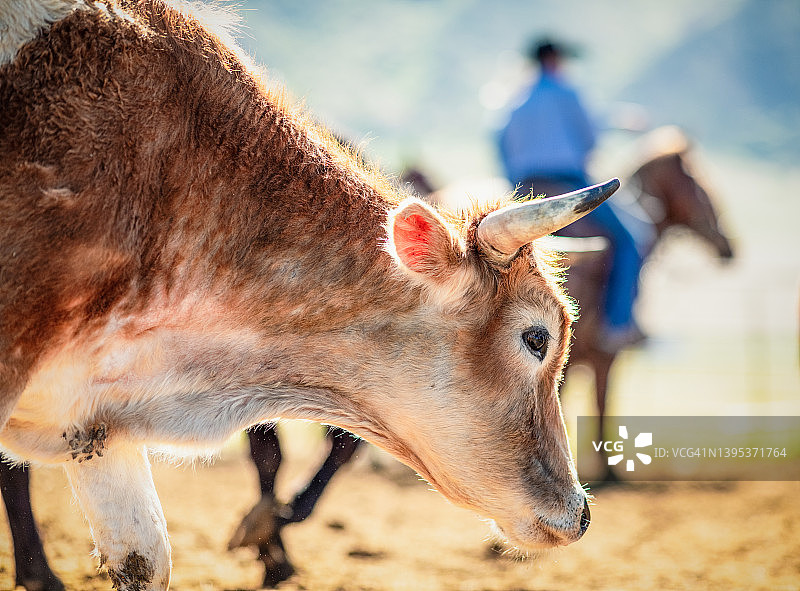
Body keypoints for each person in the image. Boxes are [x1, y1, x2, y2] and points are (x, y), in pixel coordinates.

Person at [498, 38, 645, 351]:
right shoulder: (567, 93)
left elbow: (500, 142)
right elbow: (589, 138)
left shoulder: (515, 101)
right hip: (570, 183)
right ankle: (618, 324)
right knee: (631, 241)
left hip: (526, 190)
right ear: (554, 59)